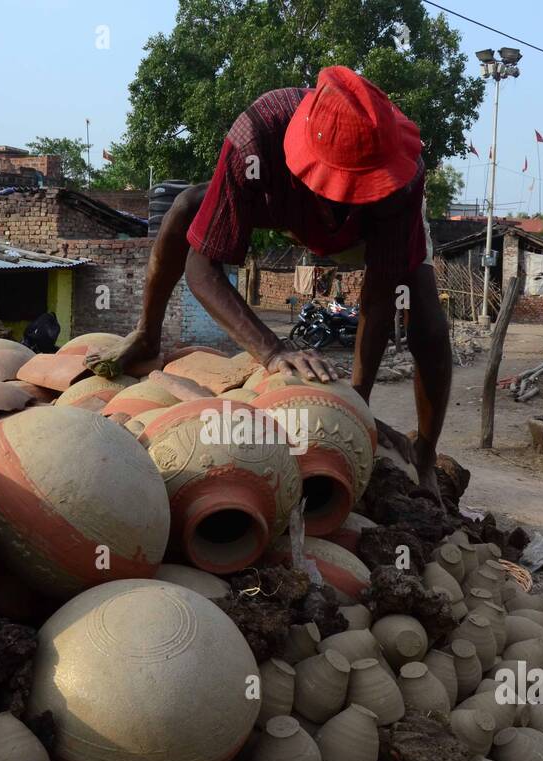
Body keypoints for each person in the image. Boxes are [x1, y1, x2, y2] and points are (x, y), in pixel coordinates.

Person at [88, 66, 451, 493]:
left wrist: (355, 405)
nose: (347, 193)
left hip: (364, 234)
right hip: (281, 206)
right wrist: (273, 350)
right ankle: (146, 336)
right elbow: (202, 267)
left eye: (359, 185)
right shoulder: (255, 138)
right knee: (185, 207)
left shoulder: (400, 181)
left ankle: (425, 455)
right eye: (341, 184)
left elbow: (378, 297)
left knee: (426, 318)